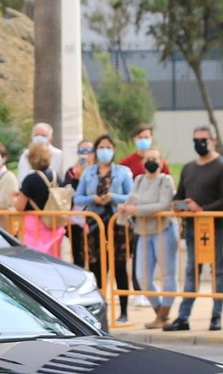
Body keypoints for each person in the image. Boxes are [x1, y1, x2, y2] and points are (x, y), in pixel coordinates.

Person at [165, 125, 223, 332]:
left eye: (204, 140)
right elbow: (180, 194)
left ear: (213, 141)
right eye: (196, 140)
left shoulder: (222, 167)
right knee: (191, 270)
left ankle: (216, 316)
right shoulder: (188, 168)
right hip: (193, 227)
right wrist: (178, 205)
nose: (200, 144)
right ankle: (183, 317)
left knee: (218, 270)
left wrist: (202, 209)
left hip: (216, 227)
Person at [74, 134, 134, 323]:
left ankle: (123, 311)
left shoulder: (123, 172)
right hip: (95, 226)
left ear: (114, 150)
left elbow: (132, 196)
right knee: (97, 268)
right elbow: (77, 197)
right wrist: (92, 199)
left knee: (119, 267)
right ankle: (99, 311)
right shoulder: (88, 173)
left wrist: (113, 197)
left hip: (117, 225)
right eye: (101, 147)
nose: (104, 151)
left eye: (108, 147)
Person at [121, 147, 178, 328]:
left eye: (154, 158)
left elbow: (163, 204)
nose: (151, 161)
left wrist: (137, 210)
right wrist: (125, 208)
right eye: (147, 158)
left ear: (161, 162)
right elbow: (132, 199)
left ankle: (164, 313)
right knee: (142, 276)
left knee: (168, 273)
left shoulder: (165, 180)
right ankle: (159, 312)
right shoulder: (139, 180)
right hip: (143, 231)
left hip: (163, 229)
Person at [13, 142, 65, 257]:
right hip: (54, 223)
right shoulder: (56, 177)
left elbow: (20, 206)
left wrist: (13, 198)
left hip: (35, 226)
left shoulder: (30, 179)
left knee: (34, 260)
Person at [62, 141, 93, 268]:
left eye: (88, 151)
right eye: (82, 151)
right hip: (75, 220)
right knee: (77, 254)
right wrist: (77, 178)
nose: (85, 154)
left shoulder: (98, 171)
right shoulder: (71, 172)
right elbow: (68, 191)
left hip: (92, 218)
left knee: (93, 254)